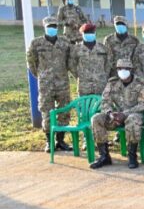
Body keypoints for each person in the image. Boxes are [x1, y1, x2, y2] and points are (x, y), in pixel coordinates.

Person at [89, 59, 144, 169]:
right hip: (115, 116)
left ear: (131, 70)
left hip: (133, 114)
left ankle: (132, 156)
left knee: (132, 120)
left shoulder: (141, 83)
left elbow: (143, 105)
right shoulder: (112, 82)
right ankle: (104, 156)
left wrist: (124, 114)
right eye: (120, 68)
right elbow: (105, 101)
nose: (123, 71)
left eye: (126, 68)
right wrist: (110, 113)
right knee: (96, 119)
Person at [26, 16, 73, 153]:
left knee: (64, 110)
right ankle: (49, 141)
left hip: (62, 82)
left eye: (54, 26)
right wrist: (41, 75)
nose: (52, 29)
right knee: (47, 111)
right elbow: (31, 62)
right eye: (49, 26)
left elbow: (70, 60)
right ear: (44, 27)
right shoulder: (36, 43)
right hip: (45, 84)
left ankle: (60, 140)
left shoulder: (65, 42)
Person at [69, 23, 112, 96]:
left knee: (100, 105)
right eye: (86, 33)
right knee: (85, 105)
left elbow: (108, 63)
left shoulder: (103, 48)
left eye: (91, 32)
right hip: (84, 85)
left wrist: (103, 75)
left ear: (95, 33)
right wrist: (80, 75)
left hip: (100, 84)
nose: (89, 34)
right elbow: (71, 64)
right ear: (82, 34)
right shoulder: (76, 49)